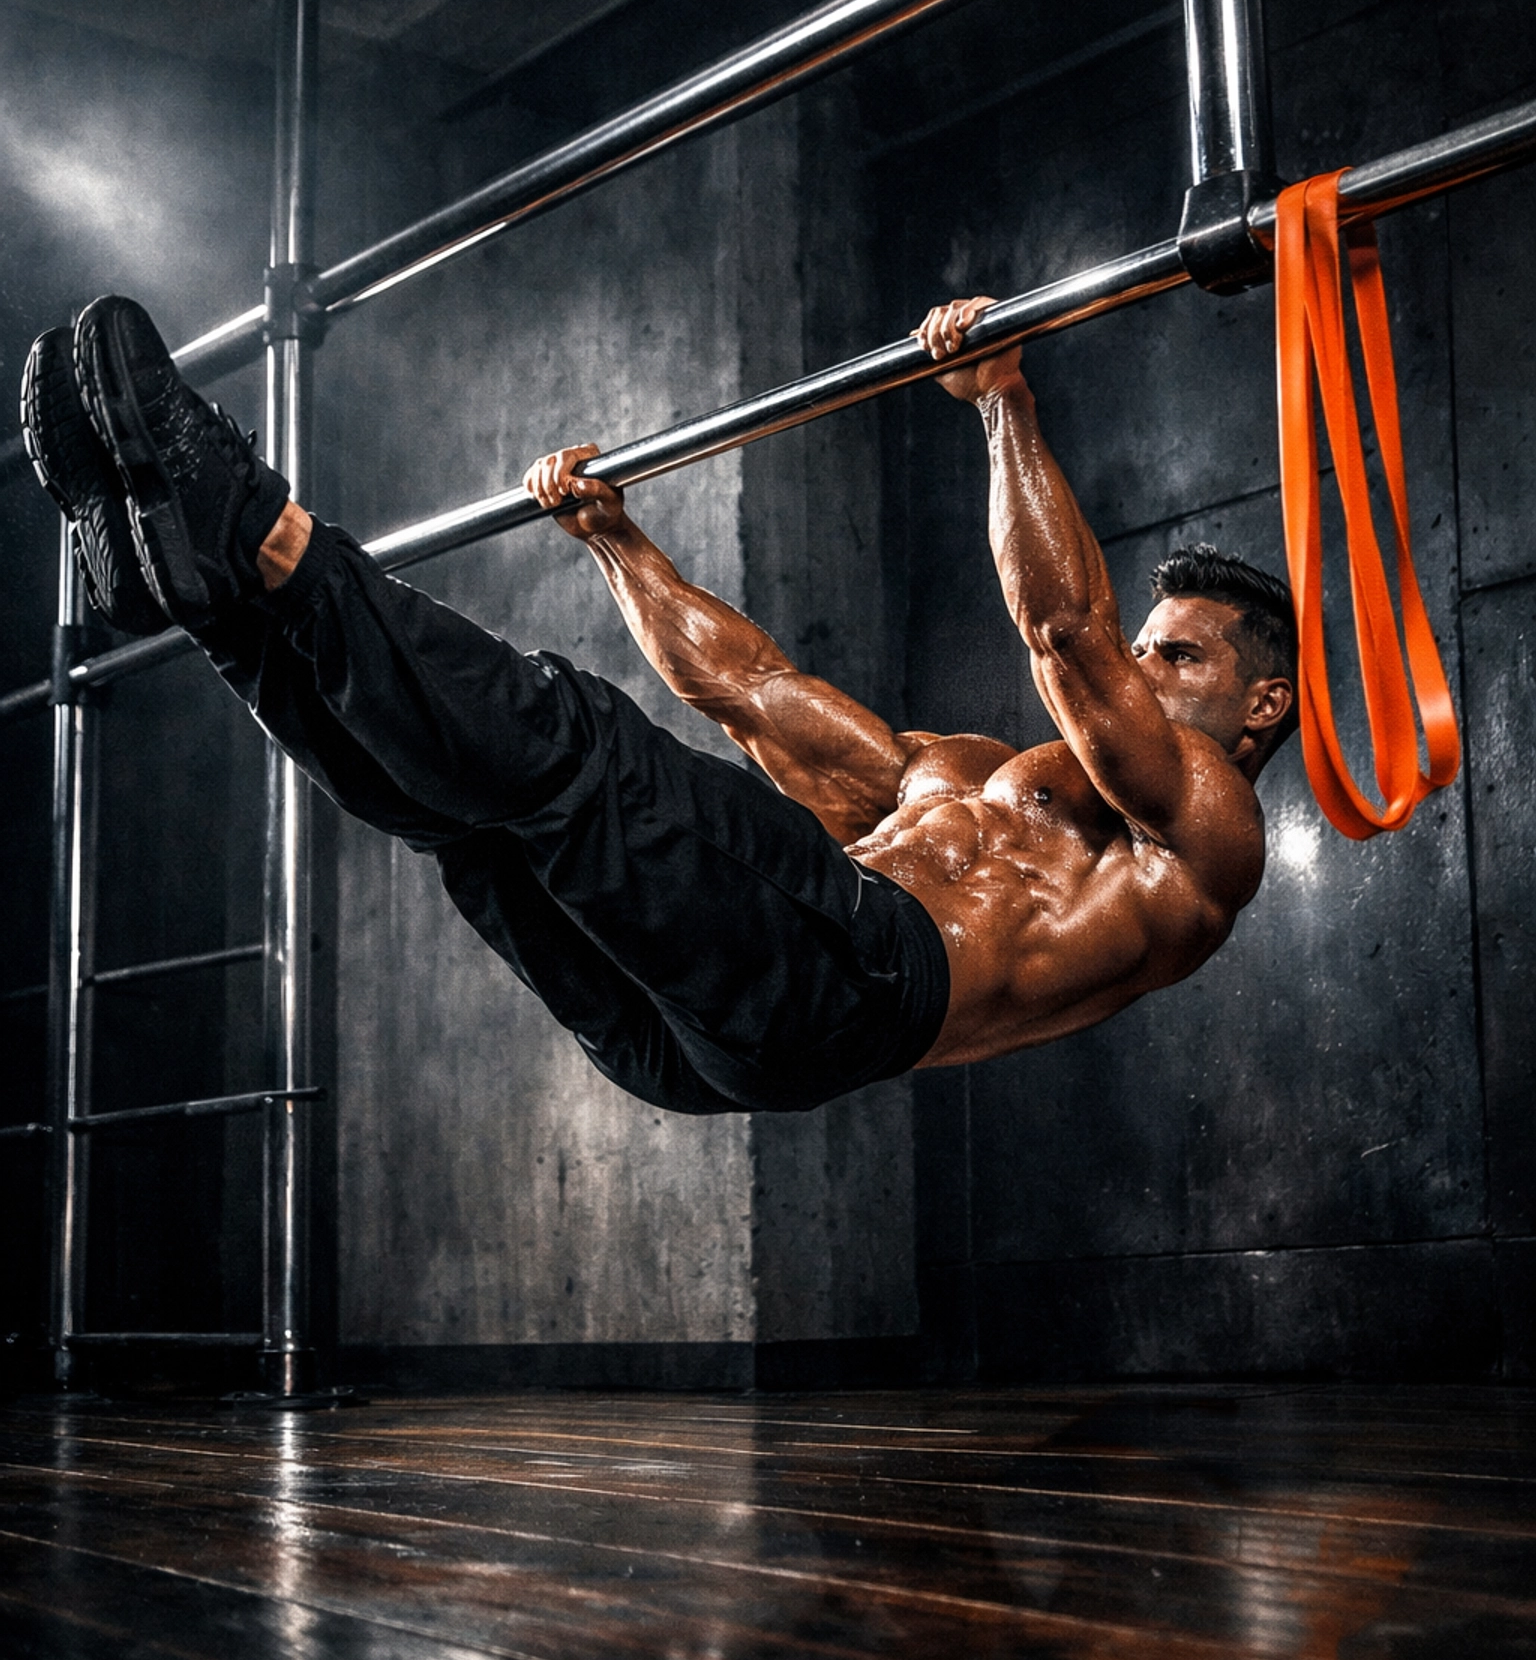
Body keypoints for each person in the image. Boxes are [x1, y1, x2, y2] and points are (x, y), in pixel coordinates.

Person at [22, 292, 1296, 1115]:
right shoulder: (963, 773)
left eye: (1178, 659)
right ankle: (216, 602)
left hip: (860, 986)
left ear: (1262, 707)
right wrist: (614, 541)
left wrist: (1005, 397)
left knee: (566, 747)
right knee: (471, 819)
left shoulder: (1205, 837)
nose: (1140, 665)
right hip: (710, 1038)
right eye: (1151, 644)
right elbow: (749, 690)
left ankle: (244, 515)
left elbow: (1066, 635)